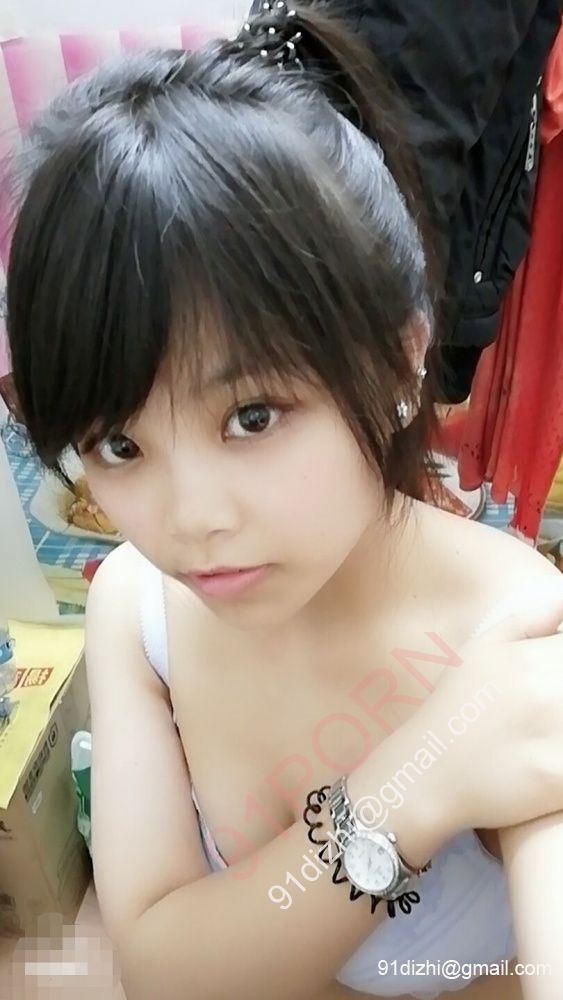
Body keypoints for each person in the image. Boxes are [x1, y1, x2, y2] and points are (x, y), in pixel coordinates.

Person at [5, 4, 563, 998]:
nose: (190, 519)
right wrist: (412, 786)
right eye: (121, 444)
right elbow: (160, 966)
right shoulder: (136, 603)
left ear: (397, 359)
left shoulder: (516, 635)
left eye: (252, 416)